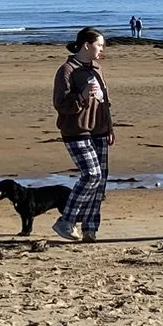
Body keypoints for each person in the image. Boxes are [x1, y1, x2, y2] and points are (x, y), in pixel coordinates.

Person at [51, 26, 113, 241]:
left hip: (100, 130)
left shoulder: (97, 68)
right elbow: (60, 104)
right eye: (99, 45)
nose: (102, 49)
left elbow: (105, 101)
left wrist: (110, 127)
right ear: (87, 45)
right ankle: (66, 221)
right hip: (76, 130)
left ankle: (90, 228)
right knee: (91, 175)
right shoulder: (67, 70)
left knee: (100, 181)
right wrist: (82, 96)